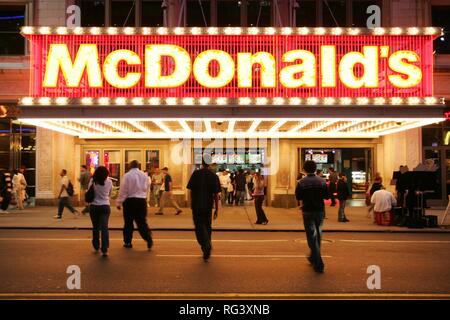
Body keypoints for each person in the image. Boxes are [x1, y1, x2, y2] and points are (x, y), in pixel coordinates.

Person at [295, 160, 328, 273]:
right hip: (319, 211)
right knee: (318, 235)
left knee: (311, 237)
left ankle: (319, 263)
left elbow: (298, 196)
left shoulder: (301, 182)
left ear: (304, 169)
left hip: (307, 211)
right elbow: (327, 196)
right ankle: (313, 257)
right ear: (315, 169)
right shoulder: (322, 181)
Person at [186, 160, 221, 261]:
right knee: (207, 226)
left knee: (199, 227)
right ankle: (207, 245)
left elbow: (191, 190)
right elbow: (216, 194)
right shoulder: (213, 176)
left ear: (202, 163)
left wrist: (191, 203)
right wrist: (216, 209)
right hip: (208, 206)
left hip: (197, 205)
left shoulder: (196, 174)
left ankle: (205, 246)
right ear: (209, 164)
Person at [116, 160, 153, 250]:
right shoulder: (144, 175)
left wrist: (119, 202)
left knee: (128, 222)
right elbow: (146, 187)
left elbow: (123, 190)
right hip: (141, 201)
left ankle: (128, 242)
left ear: (130, 166)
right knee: (142, 222)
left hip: (130, 201)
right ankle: (148, 238)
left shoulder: (127, 175)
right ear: (138, 166)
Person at [88, 166, 113, 257]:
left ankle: (96, 245)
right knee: (104, 227)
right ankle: (105, 249)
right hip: (105, 206)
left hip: (94, 206)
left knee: (95, 227)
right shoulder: (109, 182)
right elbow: (110, 194)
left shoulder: (92, 181)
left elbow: (89, 192)